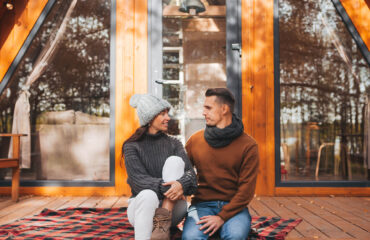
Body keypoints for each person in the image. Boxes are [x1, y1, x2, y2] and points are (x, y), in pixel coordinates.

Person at [182, 88, 259, 240]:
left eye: (208, 108)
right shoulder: (195, 141)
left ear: (224, 109)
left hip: (235, 207)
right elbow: (183, 174)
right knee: (191, 238)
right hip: (201, 205)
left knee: (235, 236)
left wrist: (222, 217)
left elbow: (246, 191)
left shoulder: (248, 145)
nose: (203, 112)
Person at [122, 94, 197, 240]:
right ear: (149, 118)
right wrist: (176, 187)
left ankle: (162, 224)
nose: (168, 117)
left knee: (175, 161)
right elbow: (138, 182)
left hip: (173, 210)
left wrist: (182, 183)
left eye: (167, 113)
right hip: (142, 209)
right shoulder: (131, 146)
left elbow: (192, 178)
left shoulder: (174, 143)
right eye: (162, 114)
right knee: (147, 194)